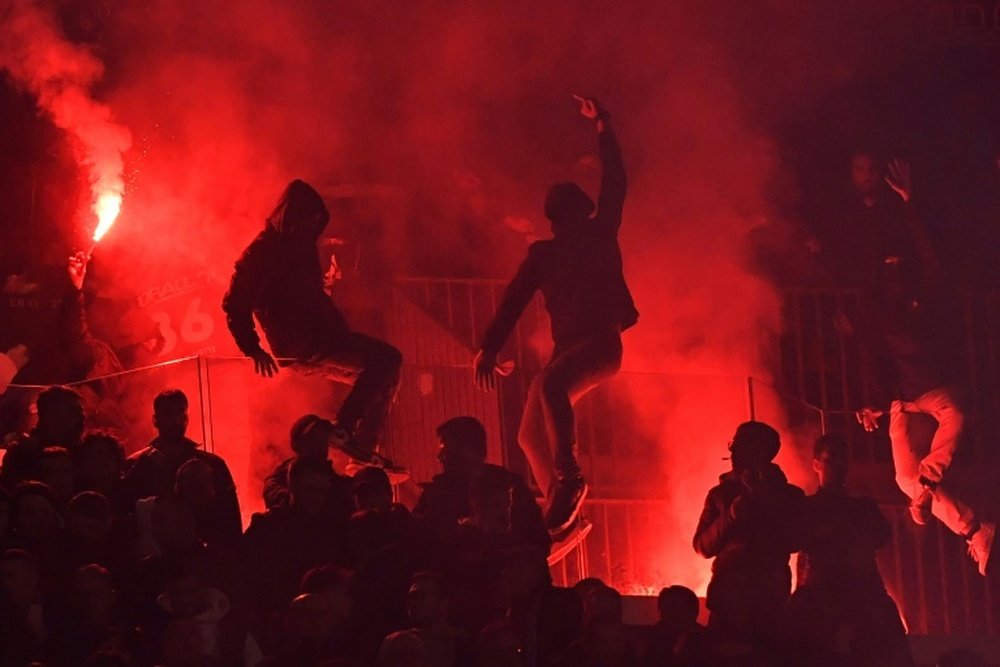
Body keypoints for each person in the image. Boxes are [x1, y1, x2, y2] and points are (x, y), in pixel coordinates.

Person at [475, 96, 637, 534]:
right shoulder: (547, 254)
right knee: (528, 435)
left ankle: (569, 480)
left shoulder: (594, 237)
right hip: (573, 351)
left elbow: (616, 183)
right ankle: (562, 515)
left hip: (600, 345)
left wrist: (604, 125)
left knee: (550, 385)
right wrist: (488, 346)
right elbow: (514, 298)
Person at [845, 155, 995, 576]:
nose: (894, 269)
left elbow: (930, 256)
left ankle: (929, 482)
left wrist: (910, 204)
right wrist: (872, 403)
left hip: (940, 392)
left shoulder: (925, 292)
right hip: (906, 402)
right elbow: (871, 357)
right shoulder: (876, 309)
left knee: (955, 418)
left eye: (898, 265)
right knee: (903, 481)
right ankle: (975, 530)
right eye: (887, 267)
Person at [222, 179, 404, 470]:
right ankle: (346, 432)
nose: (310, 229)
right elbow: (234, 303)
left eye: (315, 224)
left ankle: (361, 453)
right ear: (289, 217)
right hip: (303, 344)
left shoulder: (301, 248)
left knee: (385, 374)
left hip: (318, 339)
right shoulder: (261, 253)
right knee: (386, 360)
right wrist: (252, 347)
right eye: (306, 222)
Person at [789, 434, 912, 666]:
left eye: (842, 459)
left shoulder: (862, 507)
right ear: (816, 464)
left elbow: (881, 536)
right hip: (823, 596)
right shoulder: (808, 507)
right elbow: (794, 540)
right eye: (830, 459)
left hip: (858, 595)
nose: (838, 465)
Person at [692, 421, 804, 656]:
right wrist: (731, 516)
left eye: (740, 445)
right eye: (733, 444)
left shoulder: (790, 496)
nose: (732, 451)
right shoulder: (719, 495)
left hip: (769, 605)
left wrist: (763, 498)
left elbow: (796, 539)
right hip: (728, 604)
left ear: (761, 452)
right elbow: (702, 546)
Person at [119, 389, 242, 546]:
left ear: (186, 418)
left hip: (200, 560)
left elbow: (230, 523)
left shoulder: (214, 464)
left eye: (180, 413)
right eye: (169, 413)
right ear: (155, 419)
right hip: (159, 562)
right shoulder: (137, 465)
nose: (176, 420)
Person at [413, 417, 549, 553]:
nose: (439, 457)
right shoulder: (436, 493)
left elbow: (538, 540)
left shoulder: (509, 485)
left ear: (467, 449)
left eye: (445, 448)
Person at [262, 414, 354, 516]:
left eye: (323, 436)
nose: (320, 443)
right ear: (298, 445)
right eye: (313, 437)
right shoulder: (278, 481)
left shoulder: (338, 483)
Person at [1, 384, 85, 489]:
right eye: (72, 412)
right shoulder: (23, 455)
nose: (82, 418)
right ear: (50, 416)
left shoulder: (85, 452)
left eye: (81, 412)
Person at [641, 585, 708, 667]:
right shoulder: (651, 638)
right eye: (669, 607)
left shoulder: (702, 643)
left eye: (676, 607)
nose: (673, 614)